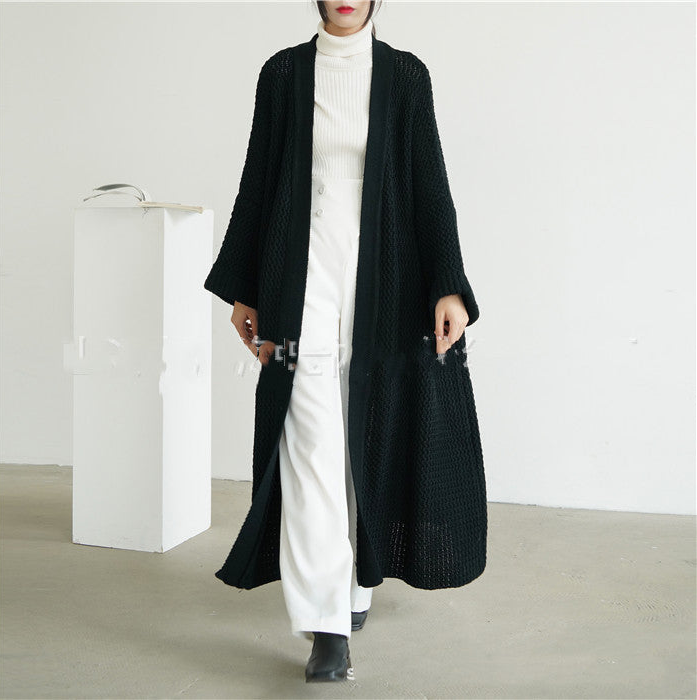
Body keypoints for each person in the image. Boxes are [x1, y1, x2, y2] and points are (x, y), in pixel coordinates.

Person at [205, 0, 486, 684]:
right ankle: (327, 626)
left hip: (384, 284)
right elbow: (258, 180)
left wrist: (448, 284)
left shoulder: (405, 76)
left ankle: (355, 578)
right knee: (309, 441)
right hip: (297, 281)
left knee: (368, 431)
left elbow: (429, 184)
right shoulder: (283, 74)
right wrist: (245, 286)